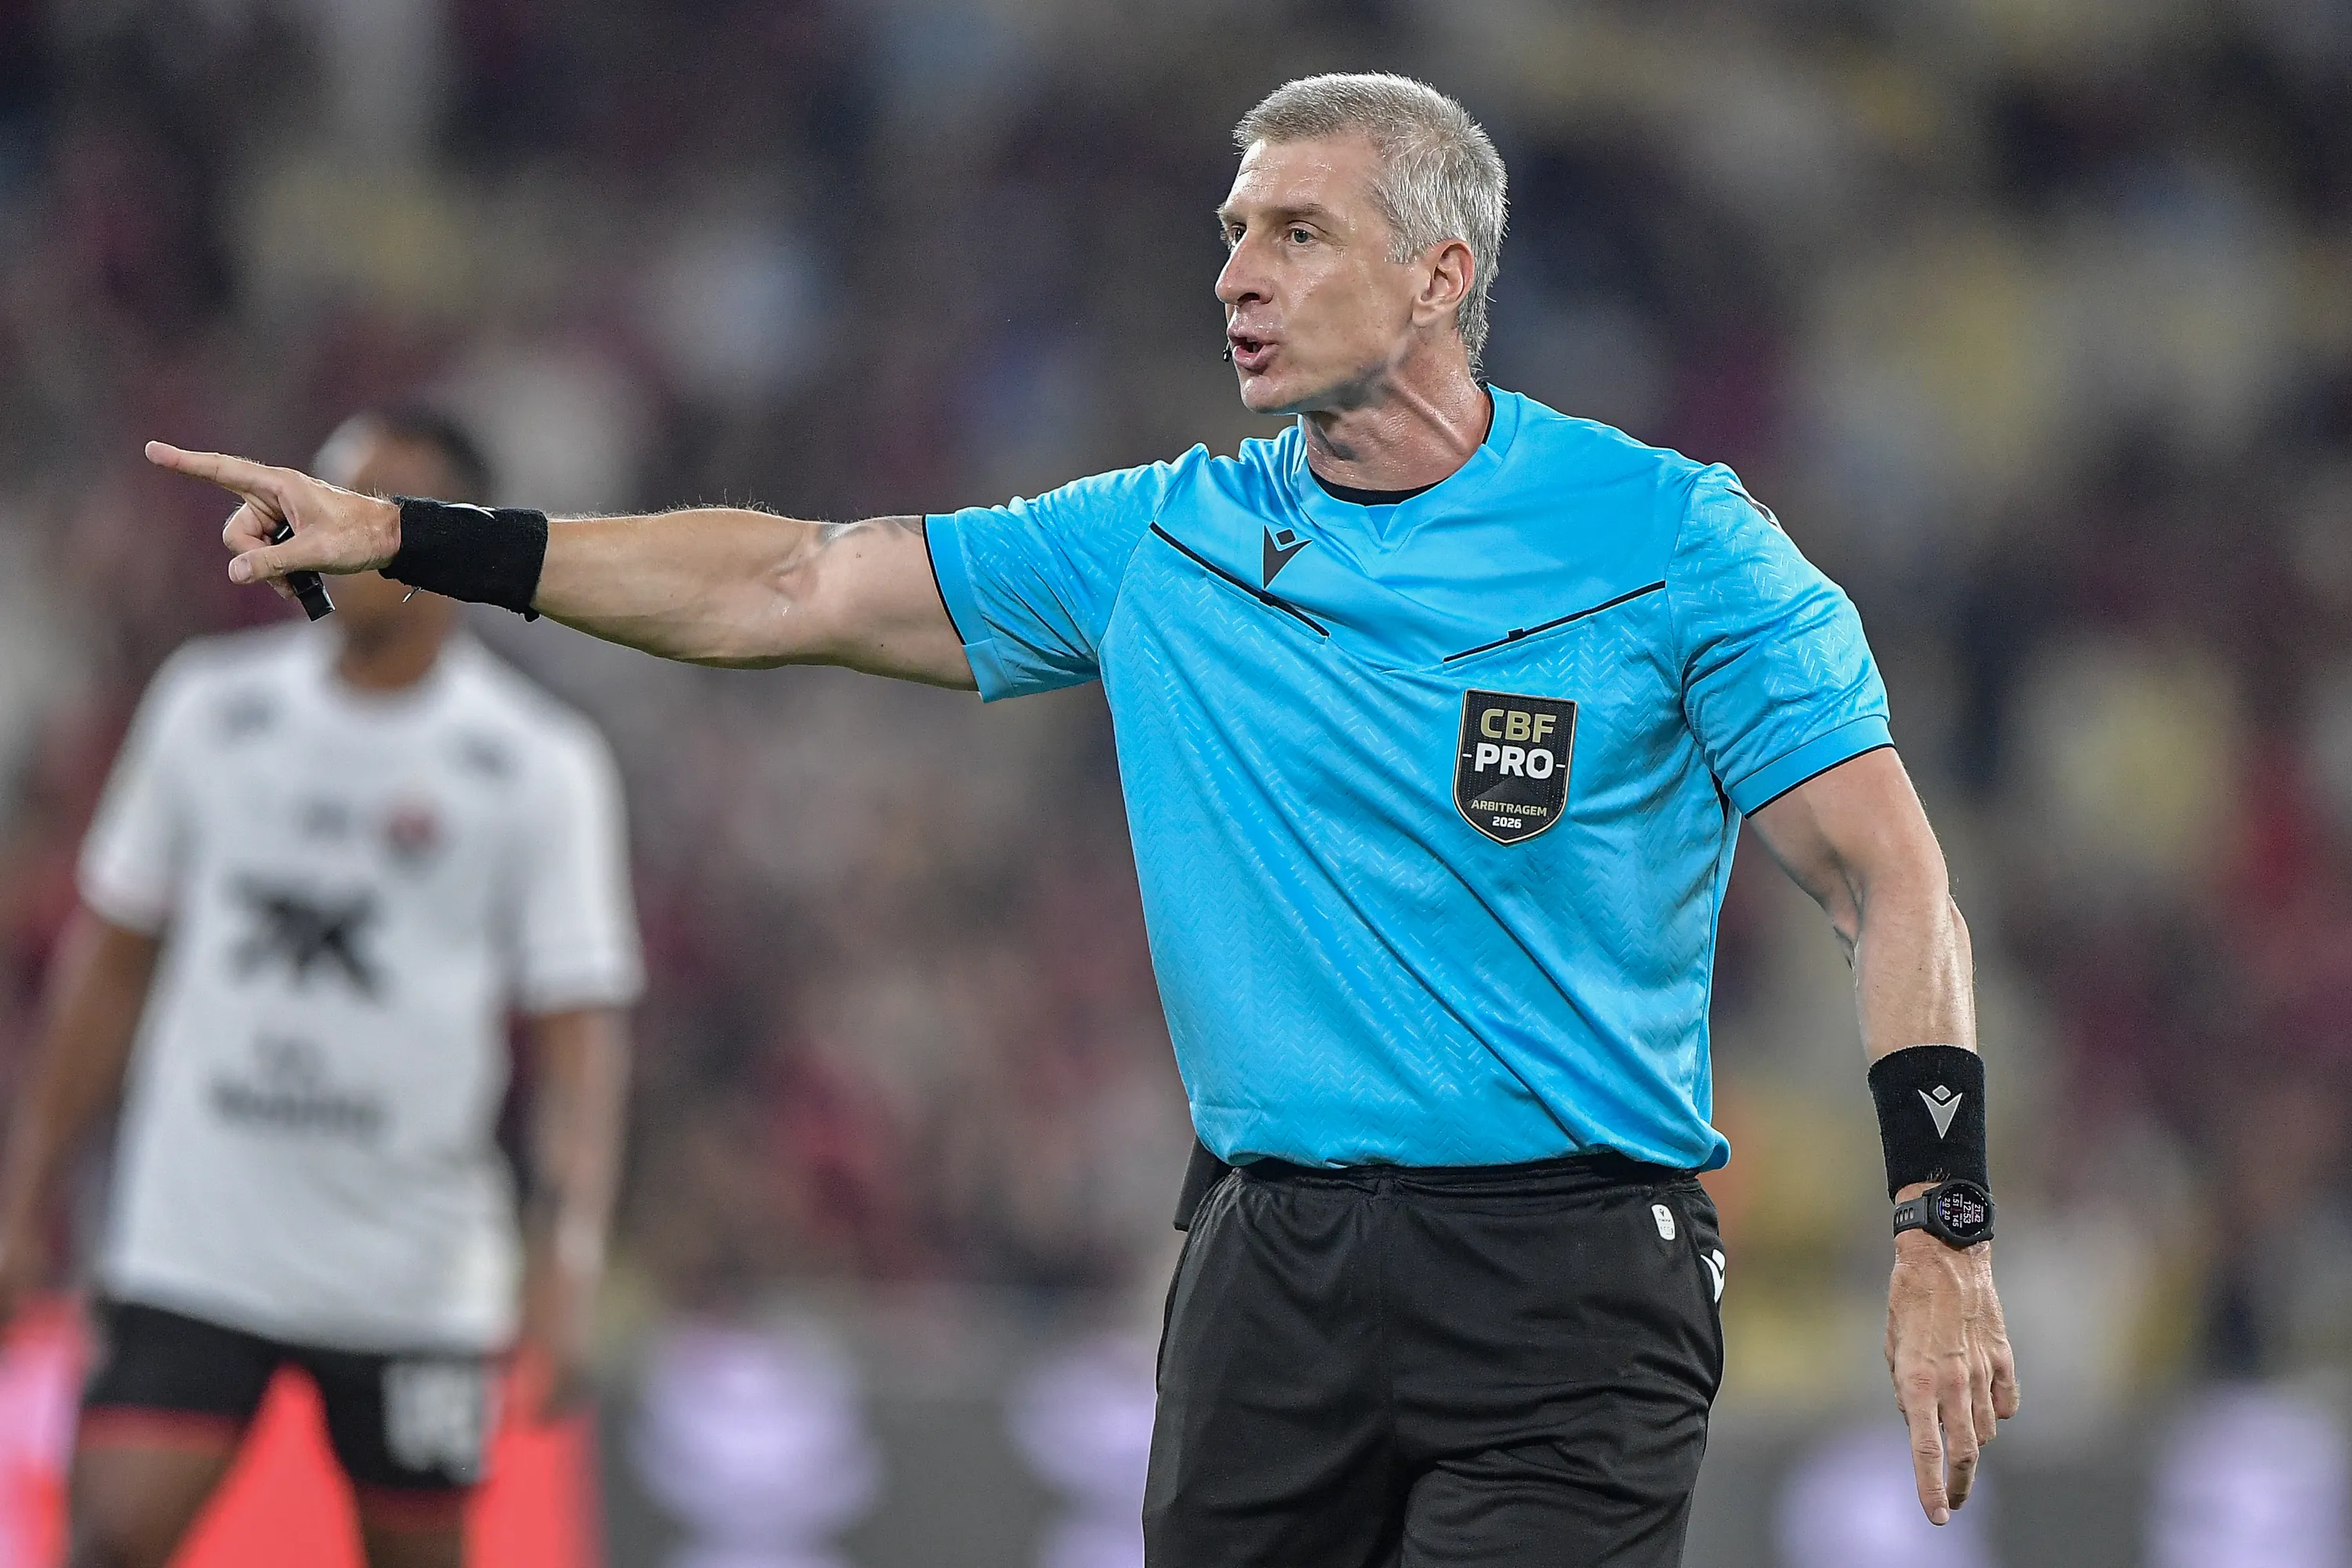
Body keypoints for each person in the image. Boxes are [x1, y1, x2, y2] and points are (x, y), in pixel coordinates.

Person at [152, 73, 2017, 1568]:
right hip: (1266, 1278)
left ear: (1444, 275)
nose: (1237, 277)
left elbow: (1887, 869)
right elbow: (792, 583)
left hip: (1571, 1288)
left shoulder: (1670, 539)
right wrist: (430, 540)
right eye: (1231, 238)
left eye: (1298, 233)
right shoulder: (1164, 539)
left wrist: (1939, 1224)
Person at [3, 408, 642, 1568]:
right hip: (200, 1237)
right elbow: (107, 973)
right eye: (330, 500)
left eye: (379, 512)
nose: (338, 534)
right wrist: (21, 1195)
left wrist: (571, 1258)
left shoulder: (537, 765)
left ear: (454, 544)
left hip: (413, 1266)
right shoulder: (209, 709)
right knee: (109, 1536)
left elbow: (578, 1041)